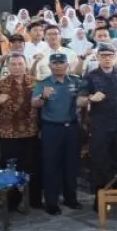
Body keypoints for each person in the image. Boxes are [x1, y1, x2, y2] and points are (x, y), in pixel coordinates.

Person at [77, 43, 117, 212]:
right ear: (98, 58)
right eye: (103, 56)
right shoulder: (91, 76)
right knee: (100, 163)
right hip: (100, 126)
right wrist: (90, 98)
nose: (107, 59)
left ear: (115, 57)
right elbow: (79, 101)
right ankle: (100, 198)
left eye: (110, 56)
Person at [0, 53, 42, 208]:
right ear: (8, 66)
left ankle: (34, 201)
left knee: (33, 167)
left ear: (25, 65)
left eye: (20, 64)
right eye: (13, 64)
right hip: (8, 135)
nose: (17, 67)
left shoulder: (35, 83)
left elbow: (43, 107)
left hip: (31, 132)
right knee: (10, 169)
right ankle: (12, 202)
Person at [31, 53, 82, 215]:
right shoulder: (44, 83)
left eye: (61, 62)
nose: (58, 65)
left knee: (71, 165)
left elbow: (84, 100)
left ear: (67, 65)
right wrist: (43, 96)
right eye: (55, 63)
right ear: (50, 66)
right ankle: (51, 203)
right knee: (51, 166)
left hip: (72, 128)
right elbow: (34, 103)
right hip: (51, 129)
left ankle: (70, 198)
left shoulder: (76, 82)